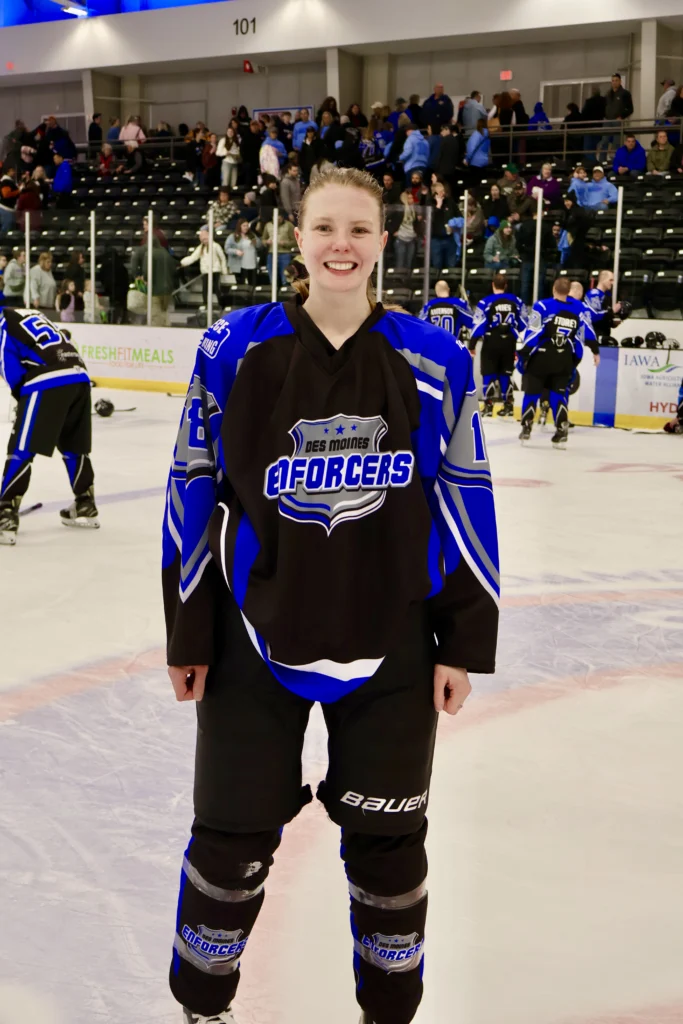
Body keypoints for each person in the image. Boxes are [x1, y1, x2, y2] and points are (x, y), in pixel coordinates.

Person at [161, 165, 499, 1024]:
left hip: (392, 639)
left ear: (385, 242)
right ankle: (204, 1007)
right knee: (232, 838)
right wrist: (188, 631)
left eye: (358, 230)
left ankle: (387, 1013)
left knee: (387, 846)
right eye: (324, 229)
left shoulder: (434, 359)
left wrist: (461, 640)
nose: (340, 245)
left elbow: (464, 497)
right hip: (250, 637)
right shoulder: (233, 349)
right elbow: (192, 489)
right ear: (297, 240)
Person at [0, 306, 99, 543]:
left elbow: (9, 367)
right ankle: (85, 503)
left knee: (21, 446)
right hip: (79, 375)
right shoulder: (27, 313)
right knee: (74, 446)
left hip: (46, 378)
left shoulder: (2, 324)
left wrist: (22, 400)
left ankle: (5, 513)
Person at [517, 276, 592, 446]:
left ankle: (527, 427)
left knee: (532, 392)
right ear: (568, 291)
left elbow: (533, 333)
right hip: (564, 359)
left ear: (553, 289)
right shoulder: (579, 309)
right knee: (558, 394)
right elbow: (580, 340)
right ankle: (561, 429)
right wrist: (574, 362)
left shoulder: (542, 306)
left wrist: (524, 355)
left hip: (542, 358)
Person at [469, 273, 526, 417]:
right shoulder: (516, 301)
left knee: (488, 372)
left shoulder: (485, 302)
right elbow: (524, 323)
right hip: (509, 342)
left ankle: (488, 406)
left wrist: (472, 345)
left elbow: (478, 325)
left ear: (492, 285)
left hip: (491, 340)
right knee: (506, 372)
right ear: (506, 285)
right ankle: (508, 405)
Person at [130, 236, 177, 325]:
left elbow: (146, 270)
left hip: (155, 290)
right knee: (164, 313)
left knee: (155, 314)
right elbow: (174, 269)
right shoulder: (166, 253)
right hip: (168, 290)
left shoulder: (150, 254)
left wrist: (144, 279)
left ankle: (158, 334)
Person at [180, 227, 228, 310]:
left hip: (215, 271)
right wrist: (183, 262)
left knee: (217, 288)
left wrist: (224, 270)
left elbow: (222, 258)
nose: (204, 241)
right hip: (205, 271)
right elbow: (193, 257)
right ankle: (206, 305)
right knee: (205, 289)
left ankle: (222, 305)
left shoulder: (216, 246)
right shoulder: (200, 247)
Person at [598, 73, 633, 162]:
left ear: (620, 81)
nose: (614, 82)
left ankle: (616, 161)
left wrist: (622, 116)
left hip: (617, 120)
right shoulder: (608, 94)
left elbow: (630, 108)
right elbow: (604, 106)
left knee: (616, 142)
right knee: (604, 141)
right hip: (607, 120)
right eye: (613, 81)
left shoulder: (625, 93)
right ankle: (602, 161)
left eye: (616, 80)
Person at [261, 213, 298, 287]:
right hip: (271, 254)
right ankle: (274, 296)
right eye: (276, 219)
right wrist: (266, 242)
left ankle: (285, 294)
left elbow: (295, 241)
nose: (278, 221)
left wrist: (285, 243)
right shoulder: (268, 225)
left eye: (279, 219)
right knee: (272, 279)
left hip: (284, 254)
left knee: (285, 278)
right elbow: (263, 239)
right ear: (272, 218)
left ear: (282, 217)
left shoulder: (289, 225)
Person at [585, 270, 622, 341]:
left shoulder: (608, 296)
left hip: (604, 334)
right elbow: (594, 316)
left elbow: (604, 318)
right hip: (593, 335)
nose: (613, 283)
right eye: (610, 280)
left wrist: (612, 323)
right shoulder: (594, 294)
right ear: (603, 280)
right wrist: (612, 311)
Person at [224, 218, 262, 286]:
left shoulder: (252, 235)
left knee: (253, 284)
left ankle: (251, 296)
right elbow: (227, 249)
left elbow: (260, 246)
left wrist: (256, 242)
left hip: (252, 264)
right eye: (244, 226)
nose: (246, 227)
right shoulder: (233, 236)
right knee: (240, 284)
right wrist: (236, 251)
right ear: (239, 226)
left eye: (247, 225)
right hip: (239, 265)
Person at [391, 190, 418, 268]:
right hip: (401, 238)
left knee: (409, 262)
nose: (412, 200)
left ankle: (407, 279)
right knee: (400, 261)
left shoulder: (414, 209)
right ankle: (398, 279)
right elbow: (388, 220)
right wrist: (393, 231)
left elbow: (415, 224)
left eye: (412, 198)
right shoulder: (399, 209)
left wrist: (416, 232)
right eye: (409, 198)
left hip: (411, 238)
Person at [580, 87, 606, 161]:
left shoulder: (589, 101)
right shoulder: (604, 101)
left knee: (588, 148)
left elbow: (584, 114)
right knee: (600, 146)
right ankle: (600, 162)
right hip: (601, 126)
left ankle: (592, 163)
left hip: (590, 127)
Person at [0, 166, 21, 233]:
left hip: (9, 209)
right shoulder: (6, 181)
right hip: (5, 208)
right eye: (12, 171)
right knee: (6, 228)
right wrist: (19, 191)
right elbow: (6, 194)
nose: (14, 172)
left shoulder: (9, 181)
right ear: (8, 172)